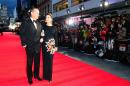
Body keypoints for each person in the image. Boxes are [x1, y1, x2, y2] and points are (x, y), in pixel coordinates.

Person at [19, 7, 42, 84]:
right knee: (29, 63)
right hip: (29, 46)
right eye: (37, 13)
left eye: (38, 13)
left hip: (38, 46)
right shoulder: (26, 22)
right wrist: (23, 43)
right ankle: (30, 77)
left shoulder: (39, 23)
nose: (38, 14)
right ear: (32, 13)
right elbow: (22, 33)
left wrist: (42, 38)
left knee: (37, 62)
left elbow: (41, 34)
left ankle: (36, 75)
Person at [40, 13, 58, 83]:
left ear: (51, 19)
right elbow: (42, 35)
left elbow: (56, 38)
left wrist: (56, 46)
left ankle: (49, 77)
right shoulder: (43, 27)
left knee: (50, 61)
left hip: (52, 46)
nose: (47, 18)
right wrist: (41, 37)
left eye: (48, 17)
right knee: (44, 61)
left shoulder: (54, 28)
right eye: (46, 17)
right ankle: (45, 76)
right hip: (44, 45)